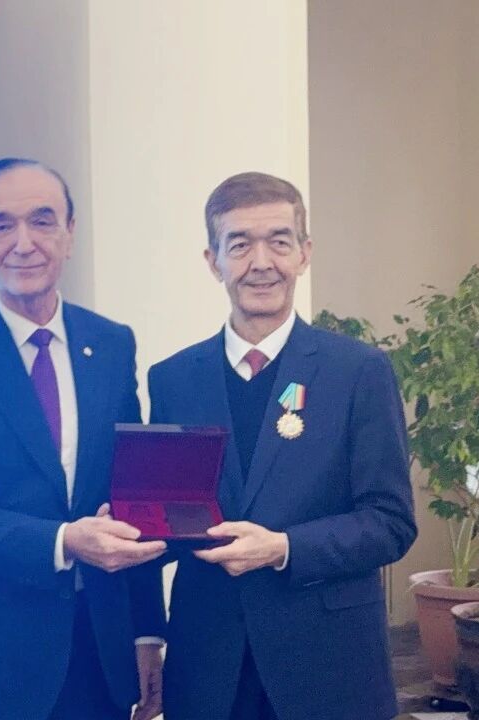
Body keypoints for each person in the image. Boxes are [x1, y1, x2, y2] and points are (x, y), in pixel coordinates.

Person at [0, 158, 167, 720]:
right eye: (1, 225)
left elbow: (132, 494)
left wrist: (146, 633)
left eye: (42, 221)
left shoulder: (111, 345)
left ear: (69, 234)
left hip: (95, 659)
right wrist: (62, 541)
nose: (24, 243)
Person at [148, 171, 418, 720]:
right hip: (208, 666)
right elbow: (168, 519)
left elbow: (391, 522)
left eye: (279, 241)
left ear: (304, 253)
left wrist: (284, 547)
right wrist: (135, 523)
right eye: (239, 245)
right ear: (213, 261)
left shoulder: (358, 372)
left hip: (328, 665)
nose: (261, 262)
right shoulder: (173, 379)